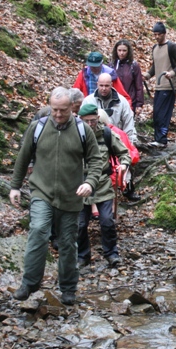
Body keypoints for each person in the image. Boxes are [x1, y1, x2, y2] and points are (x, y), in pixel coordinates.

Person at [10, 87, 102, 305]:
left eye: (63, 110)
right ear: (49, 107)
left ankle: (68, 288)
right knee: (39, 230)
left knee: (68, 243)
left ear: (72, 107)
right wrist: (15, 186)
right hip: (42, 191)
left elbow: (96, 160)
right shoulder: (37, 127)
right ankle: (30, 283)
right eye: (54, 110)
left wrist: (90, 183)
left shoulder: (82, 130)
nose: (59, 115)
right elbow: (23, 158)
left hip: (71, 196)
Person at [76, 104, 131, 268]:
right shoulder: (74, 134)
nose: (90, 124)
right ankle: (82, 256)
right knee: (79, 224)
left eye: (93, 121)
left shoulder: (107, 134)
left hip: (102, 184)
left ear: (98, 118)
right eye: (87, 121)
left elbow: (124, 152)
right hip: (79, 185)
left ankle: (111, 254)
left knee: (107, 221)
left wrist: (124, 165)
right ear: (80, 120)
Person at [142, 21, 176, 148]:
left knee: (163, 113)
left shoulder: (171, 46)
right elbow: (155, 66)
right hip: (158, 85)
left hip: (169, 85)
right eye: (154, 34)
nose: (156, 37)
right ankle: (158, 139)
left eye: (159, 34)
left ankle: (161, 140)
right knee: (156, 112)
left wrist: (172, 73)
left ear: (164, 34)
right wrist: (148, 75)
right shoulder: (155, 48)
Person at [82, 73, 137, 145]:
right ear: (97, 84)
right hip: (94, 142)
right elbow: (82, 123)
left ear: (111, 84)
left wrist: (130, 145)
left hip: (117, 141)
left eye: (106, 86)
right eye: (101, 85)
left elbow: (129, 125)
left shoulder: (122, 102)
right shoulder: (88, 101)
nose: (103, 89)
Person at [111, 39, 144, 115]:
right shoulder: (112, 65)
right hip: (114, 100)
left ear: (128, 51)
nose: (121, 53)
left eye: (124, 51)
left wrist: (139, 104)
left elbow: (139, 86)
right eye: (119, 50)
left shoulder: (133, 66)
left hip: (130, 101)